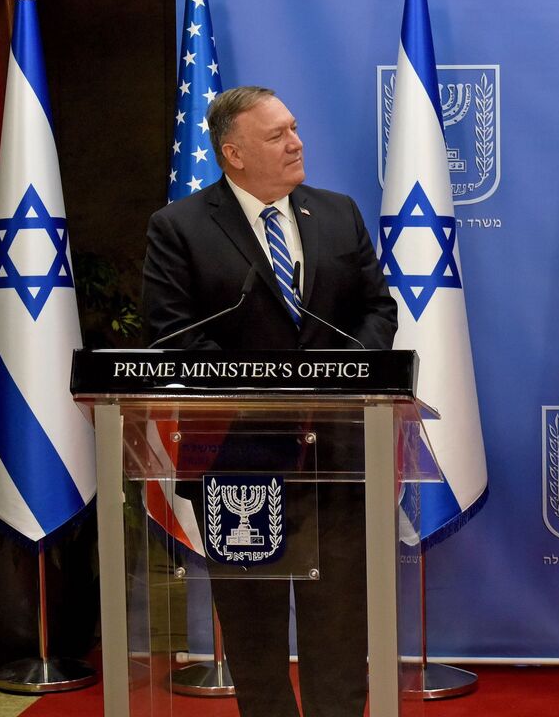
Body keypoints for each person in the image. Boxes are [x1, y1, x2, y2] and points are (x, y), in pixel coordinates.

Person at [143, 86, 396, 717]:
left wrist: (330, 378)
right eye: (277, 134)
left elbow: (376, 310)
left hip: (336, 452)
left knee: (339, 622)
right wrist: (265, 384)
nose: (296, 142)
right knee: (252, 628)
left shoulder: (338, 213)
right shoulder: (179, 228)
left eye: (295, 128)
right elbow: (172, 333)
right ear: (232, 153)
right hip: (237, 456)